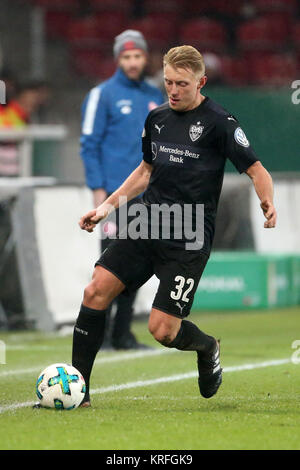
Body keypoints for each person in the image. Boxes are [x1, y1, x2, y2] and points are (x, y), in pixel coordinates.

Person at [72, 45, 277, 407]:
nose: (173, 90)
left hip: (190, 234)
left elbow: (257, 169)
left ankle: (207, 346)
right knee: (95, 292)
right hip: (146, 221)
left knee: (162, 331)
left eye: (181, 83)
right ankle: (79, 392)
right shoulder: (157, 119)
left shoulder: (220, 123)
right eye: (168, 82)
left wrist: (267, 202)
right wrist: (107, 206)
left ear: (201, 82)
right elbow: (145, 171)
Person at [80, 29, 164, 350]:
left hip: (148, 196)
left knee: (137, 266)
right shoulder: (101, 95)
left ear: (145, 58)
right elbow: (89, 144)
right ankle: (97, 333)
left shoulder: (154, 96)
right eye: (126, 57)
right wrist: (98, 189)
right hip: (115, 198)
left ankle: (123, 334)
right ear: (118, 59)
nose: (132, 62)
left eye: (137, 56)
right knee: (108, 265)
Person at [0, 79, 50, 176]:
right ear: (20, 98)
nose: (33, 103)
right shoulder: (6, 116)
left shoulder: (29, 118)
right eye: (30, 99)